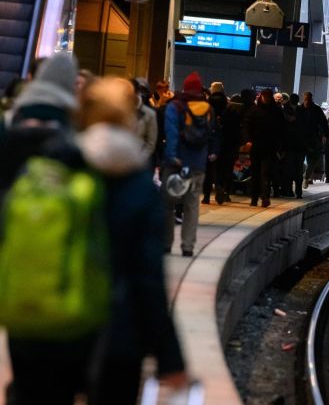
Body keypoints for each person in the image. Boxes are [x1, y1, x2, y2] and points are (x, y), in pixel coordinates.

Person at [77, 77, 188, 404]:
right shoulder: (138, 185)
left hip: (50, 327)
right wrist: (170, 357)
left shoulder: (58, 164)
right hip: (117, 334)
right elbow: (148, 278)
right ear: (128, 119)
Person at [0, 55, 98, 404]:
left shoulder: (10, 125)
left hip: (15, 264)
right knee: (58, 378)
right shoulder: (73, 134)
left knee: (23, 354)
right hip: (61, 273)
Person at [162, 72, 217, 256]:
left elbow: (171, 134)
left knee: (168, 204)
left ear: (185, 88)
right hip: (197, 164)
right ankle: (188, 246)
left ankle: (166, 242)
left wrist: (171, 156)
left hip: (176, 163)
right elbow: (210, 136)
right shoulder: (208, 109)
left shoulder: (175, 107)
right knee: (192, 205)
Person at [243, 89, 283, 206]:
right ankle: (257, 197)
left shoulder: (255, 110)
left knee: (262, 172)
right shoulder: (276, 111)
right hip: (263, 146)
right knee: (259, 173)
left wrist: (248, 140)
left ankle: (262, 197)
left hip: (263, 146)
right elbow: (281, 129)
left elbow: (246, 125)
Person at [296, 92, 328, 189]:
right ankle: (303, 177)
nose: (307, 101)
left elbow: (323, 122)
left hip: (312, 139)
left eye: (308, 99)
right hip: (303, 139)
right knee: (302, 161)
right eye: (306, 99)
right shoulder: (301, 109)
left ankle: (306, 177)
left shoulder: (312, 109)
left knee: (312, 161)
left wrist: (325, 134)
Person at [202, 81, 227, 204]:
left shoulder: (208, 104)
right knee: (218, 168)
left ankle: (206, 196)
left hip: (207, 140)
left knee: (207, 171)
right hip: (221, 139)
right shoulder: (227, 104)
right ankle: (219, 186)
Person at [131, 77, 158, 164]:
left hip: (140, 160)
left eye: (144, 91)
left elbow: (151, 143)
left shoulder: (151, 113)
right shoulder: (119, 109)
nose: (142, 94)